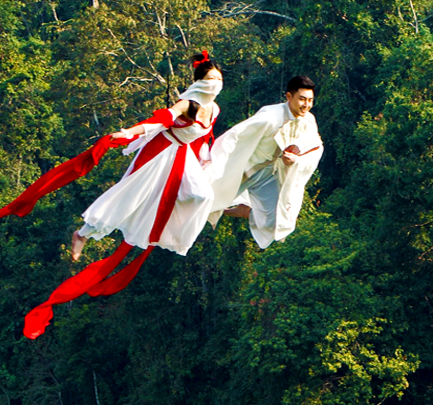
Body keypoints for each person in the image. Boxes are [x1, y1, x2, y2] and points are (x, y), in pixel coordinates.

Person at [71, 52, 223, 260]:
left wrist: (203, 159)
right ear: (199, 82)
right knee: (130, 195)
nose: (215, 84)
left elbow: (202, 138)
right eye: (210, 79)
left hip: (183, 154)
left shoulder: (213, 109)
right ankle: (83, 234)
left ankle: (169, 231)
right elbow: (158, 122)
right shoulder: (187, 105)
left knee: (203, 195)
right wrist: (128, 133)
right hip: (161, 152)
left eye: (219, 79)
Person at [207, 75, 322, 248]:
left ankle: (243, 211)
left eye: (310, 100)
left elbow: (315, 148)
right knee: (204, 201)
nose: (306, 105)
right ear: (289, 97)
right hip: (244, 170)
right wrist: (215, 160)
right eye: (302, 99)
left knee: (278, 221)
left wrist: (296, 160)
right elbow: (236, 134)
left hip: (269, 174)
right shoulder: (271, 116)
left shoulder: (308, 120)